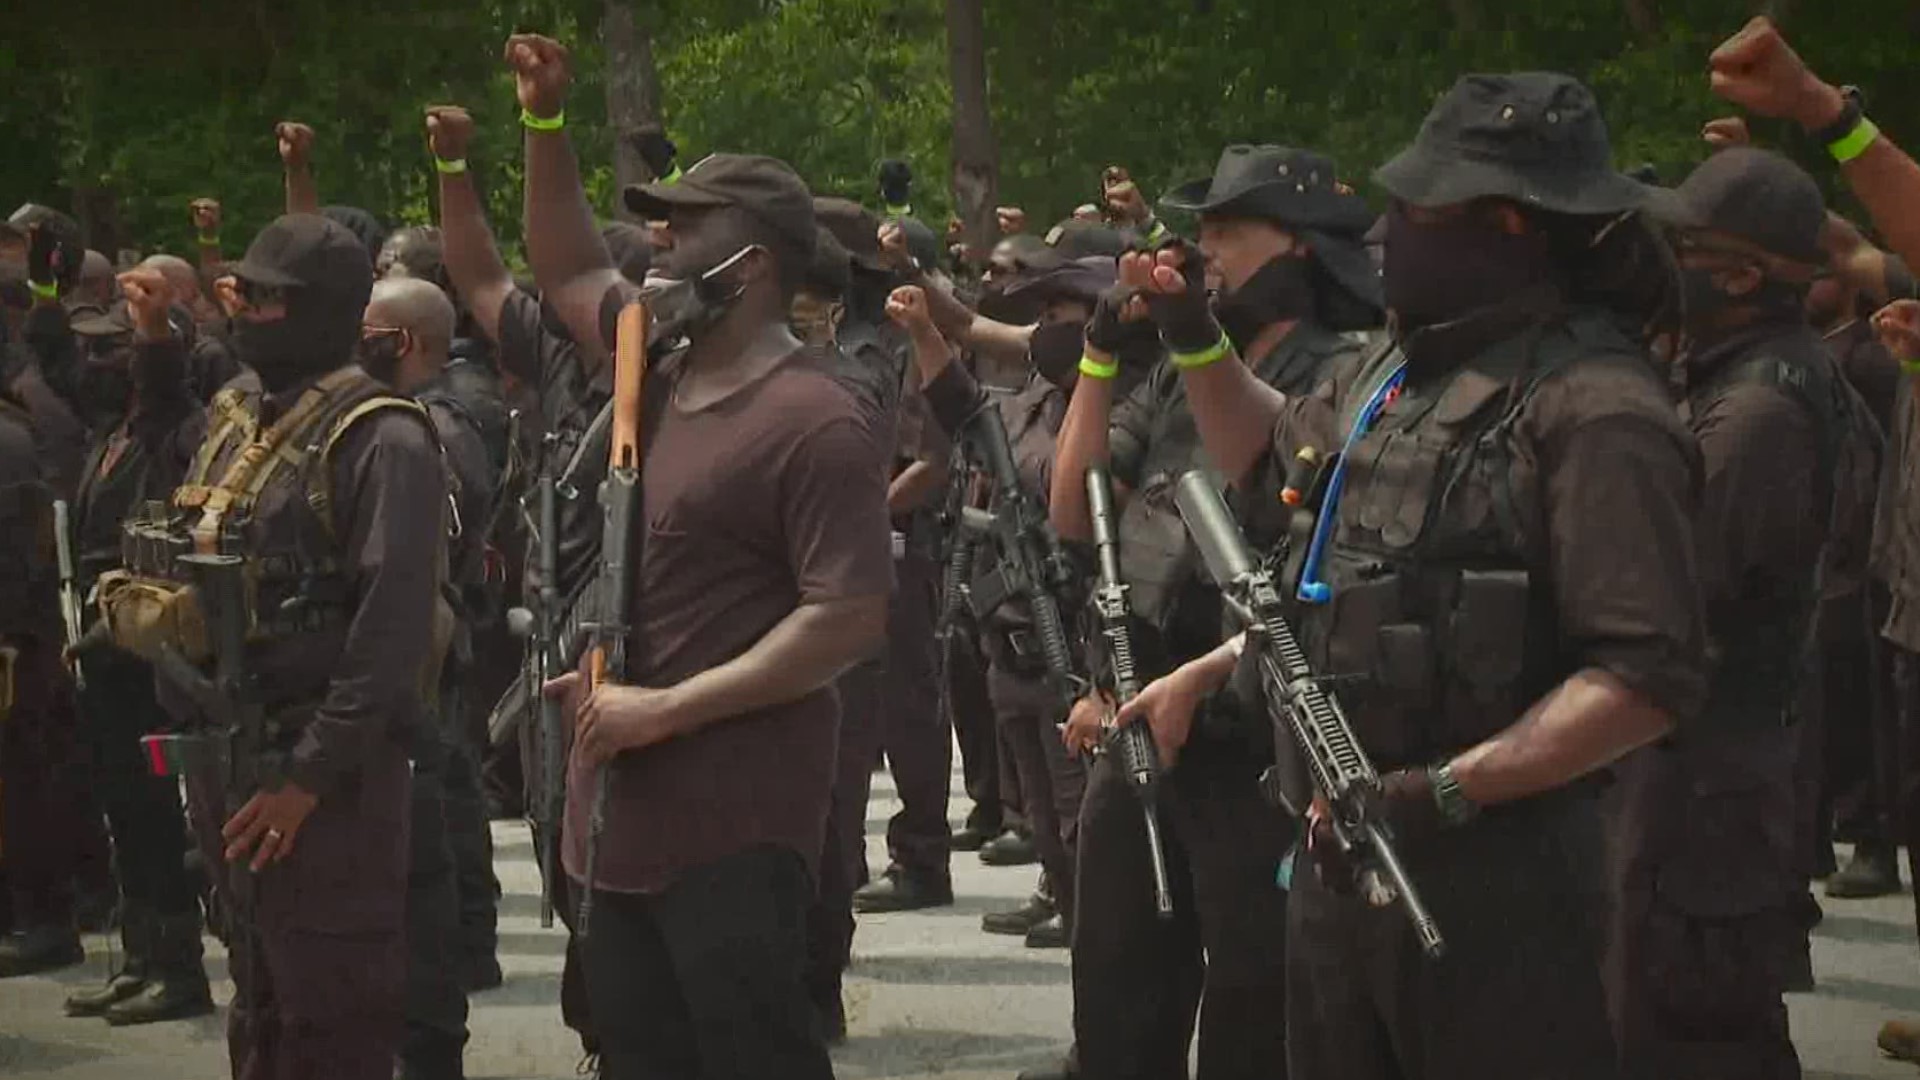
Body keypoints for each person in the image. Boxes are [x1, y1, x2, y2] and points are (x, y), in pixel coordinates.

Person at [1129, 73, 1709, 1080]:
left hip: (1502, 883)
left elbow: (1645, 678)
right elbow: (1266, 456)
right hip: (1342, 856)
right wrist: (1191, 333)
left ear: (1512, 225)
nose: (1394, 230)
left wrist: (1438, 791)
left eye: (1421, 208)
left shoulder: (1598, 407)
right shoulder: (1393, 371)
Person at [507, 33, 891, 1078]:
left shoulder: (817, 416)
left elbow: (848, 617)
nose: (657, 250)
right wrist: (544, 120)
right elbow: (568, 265)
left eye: (681, 231)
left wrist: (666, 708)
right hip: (613, 828)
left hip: (731, 833)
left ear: (753, 261)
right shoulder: (654, 372)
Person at [1036, 143, 1380, 1080]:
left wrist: (1205, 682)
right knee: (1116, 1000)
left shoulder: (1340, 376)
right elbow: (1074, 505)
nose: (1207, 250)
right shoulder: (1172, 370)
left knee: (1251, 1016)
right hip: (1139, 720)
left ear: (1302, 249)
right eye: (1203, 229)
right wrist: (1103, 351)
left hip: (1249, 740)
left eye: (1231, 230)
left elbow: (1321, 559)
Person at [98, 212, 448, 1080]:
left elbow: (390, 639)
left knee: (333, 1015)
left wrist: (307, 780)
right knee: (260, 1008)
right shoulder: (240, 414)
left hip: (325, 782)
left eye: (263, 298)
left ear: (322, 312)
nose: (241, 307)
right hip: (232, 761)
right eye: (239, 293)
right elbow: (158, 437)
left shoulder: (385, 439)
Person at [1609, 144, 1854, 1080]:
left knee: (1696, 1034)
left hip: (1709, 786)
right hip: (1693, 769)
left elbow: (1672, 588)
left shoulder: (1759, 411)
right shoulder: (1727, 371)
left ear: (1743, 274)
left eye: (1686, 246)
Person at [57, 267, 215, 1024]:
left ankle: (178, 966)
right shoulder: (108, 436)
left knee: (155, 814)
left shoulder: (173, 427)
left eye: (115, 350)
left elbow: (163, 392)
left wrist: (153, 330)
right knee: (123, 807)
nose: (100, 363)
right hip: (101, 646)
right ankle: (141, 953)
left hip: (147, 654)